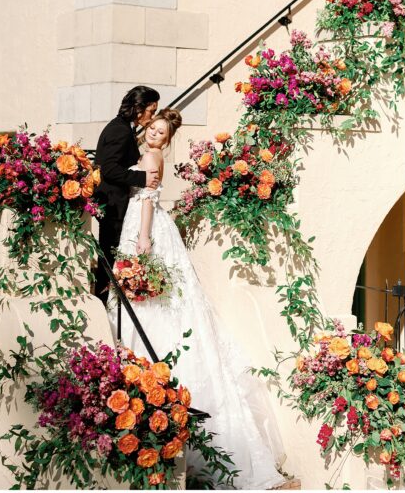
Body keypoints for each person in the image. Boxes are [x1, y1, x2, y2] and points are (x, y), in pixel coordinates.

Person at [107, 109, 287, 489]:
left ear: (167, 142)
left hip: (145, 227)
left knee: (154, 300)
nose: (155, 136)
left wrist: (142, 239)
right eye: (152, 130)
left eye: (161, 133)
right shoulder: (145, 154)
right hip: (143, 225)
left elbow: (148, 201)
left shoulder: (151, 158)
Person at [93, 86, 160, 302]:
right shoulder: (119, 130)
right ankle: (104, 308)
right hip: (114, 206)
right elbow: (109, 169)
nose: (152, 117)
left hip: (117, 205)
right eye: (151, 110)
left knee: (113, 260)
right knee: (109, 262)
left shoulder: (124, 128)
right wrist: (143, 179)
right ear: (138, 108)